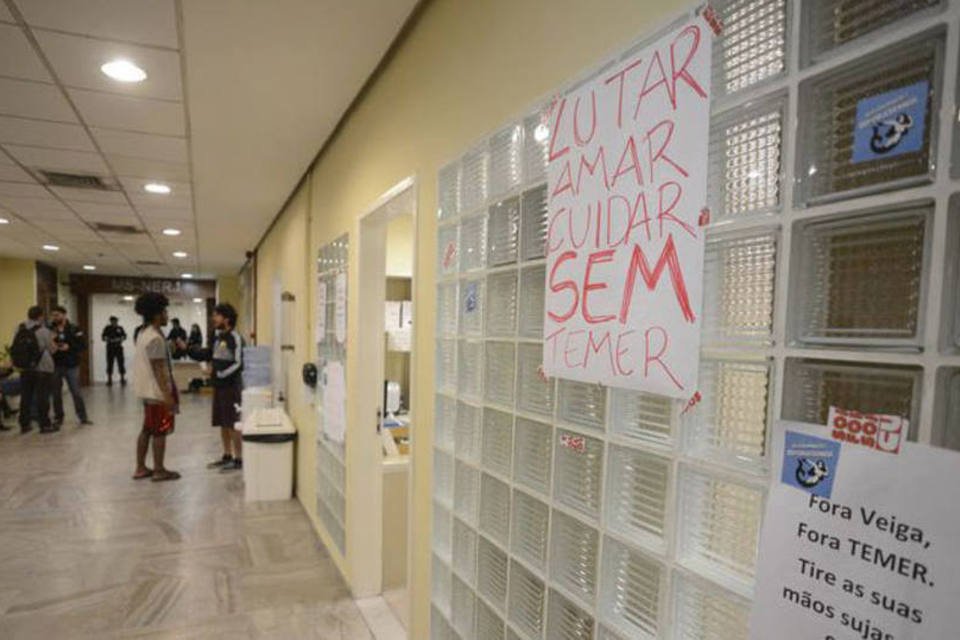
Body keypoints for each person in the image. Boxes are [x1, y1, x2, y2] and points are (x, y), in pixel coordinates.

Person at [132, 292, 182, 482]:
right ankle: (159, 470)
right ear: (156, 315)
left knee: (147, 429)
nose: (167, 315)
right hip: (156, 393)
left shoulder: (144, 334)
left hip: (147, 392)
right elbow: (159, 369)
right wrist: (167, 395)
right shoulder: (154, 338)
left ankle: (141, 467)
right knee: (160, 430)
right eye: (164, 312)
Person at [190, 304, 244, 472]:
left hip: (231, 387)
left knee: (233, 422)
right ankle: (226, 455)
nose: (214, 318)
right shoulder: (219, 338)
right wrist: (188, 350)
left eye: (217, 315)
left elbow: (238, 362)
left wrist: (220, 374)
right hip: (219, 387)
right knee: (222, 421)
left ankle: (238, 458)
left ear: (226, 319)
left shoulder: (235, 337)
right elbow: (209, 355)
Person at [10, 306, 55, 434]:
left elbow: (15, 346)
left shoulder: (19, 328)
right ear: (40, 316)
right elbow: (52, 349)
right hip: (42, 368)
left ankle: (24, 425)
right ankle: (45, 425)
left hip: (25, 368)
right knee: (42, 397)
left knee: (26, 396)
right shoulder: (44, 331)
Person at [50, 306, 91, 427]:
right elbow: (45, 345)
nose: (54, 317)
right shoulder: (50, 328)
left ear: (64, 315)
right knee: (56, 393)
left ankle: (83, 417)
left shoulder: (74, 328)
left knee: (76, 392)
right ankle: (59, 418)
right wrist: (52, 342)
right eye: (53, 315)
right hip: (55, 365)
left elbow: (83, 345)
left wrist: (70, 347)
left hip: (71, 365)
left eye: (57, 315)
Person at [101, 316, 127, 387]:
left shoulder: (120, 328)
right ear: (111, 321)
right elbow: (103, 337)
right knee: (110, 363)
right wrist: (109, 340)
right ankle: (109, 380)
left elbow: (124, 336)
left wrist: (119, 339)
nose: (114, 322)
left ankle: (122, 379)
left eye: (115, 321)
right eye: (113, 321)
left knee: (121, 362)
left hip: (118, 347)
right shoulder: (107, 328)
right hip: (110, 348)